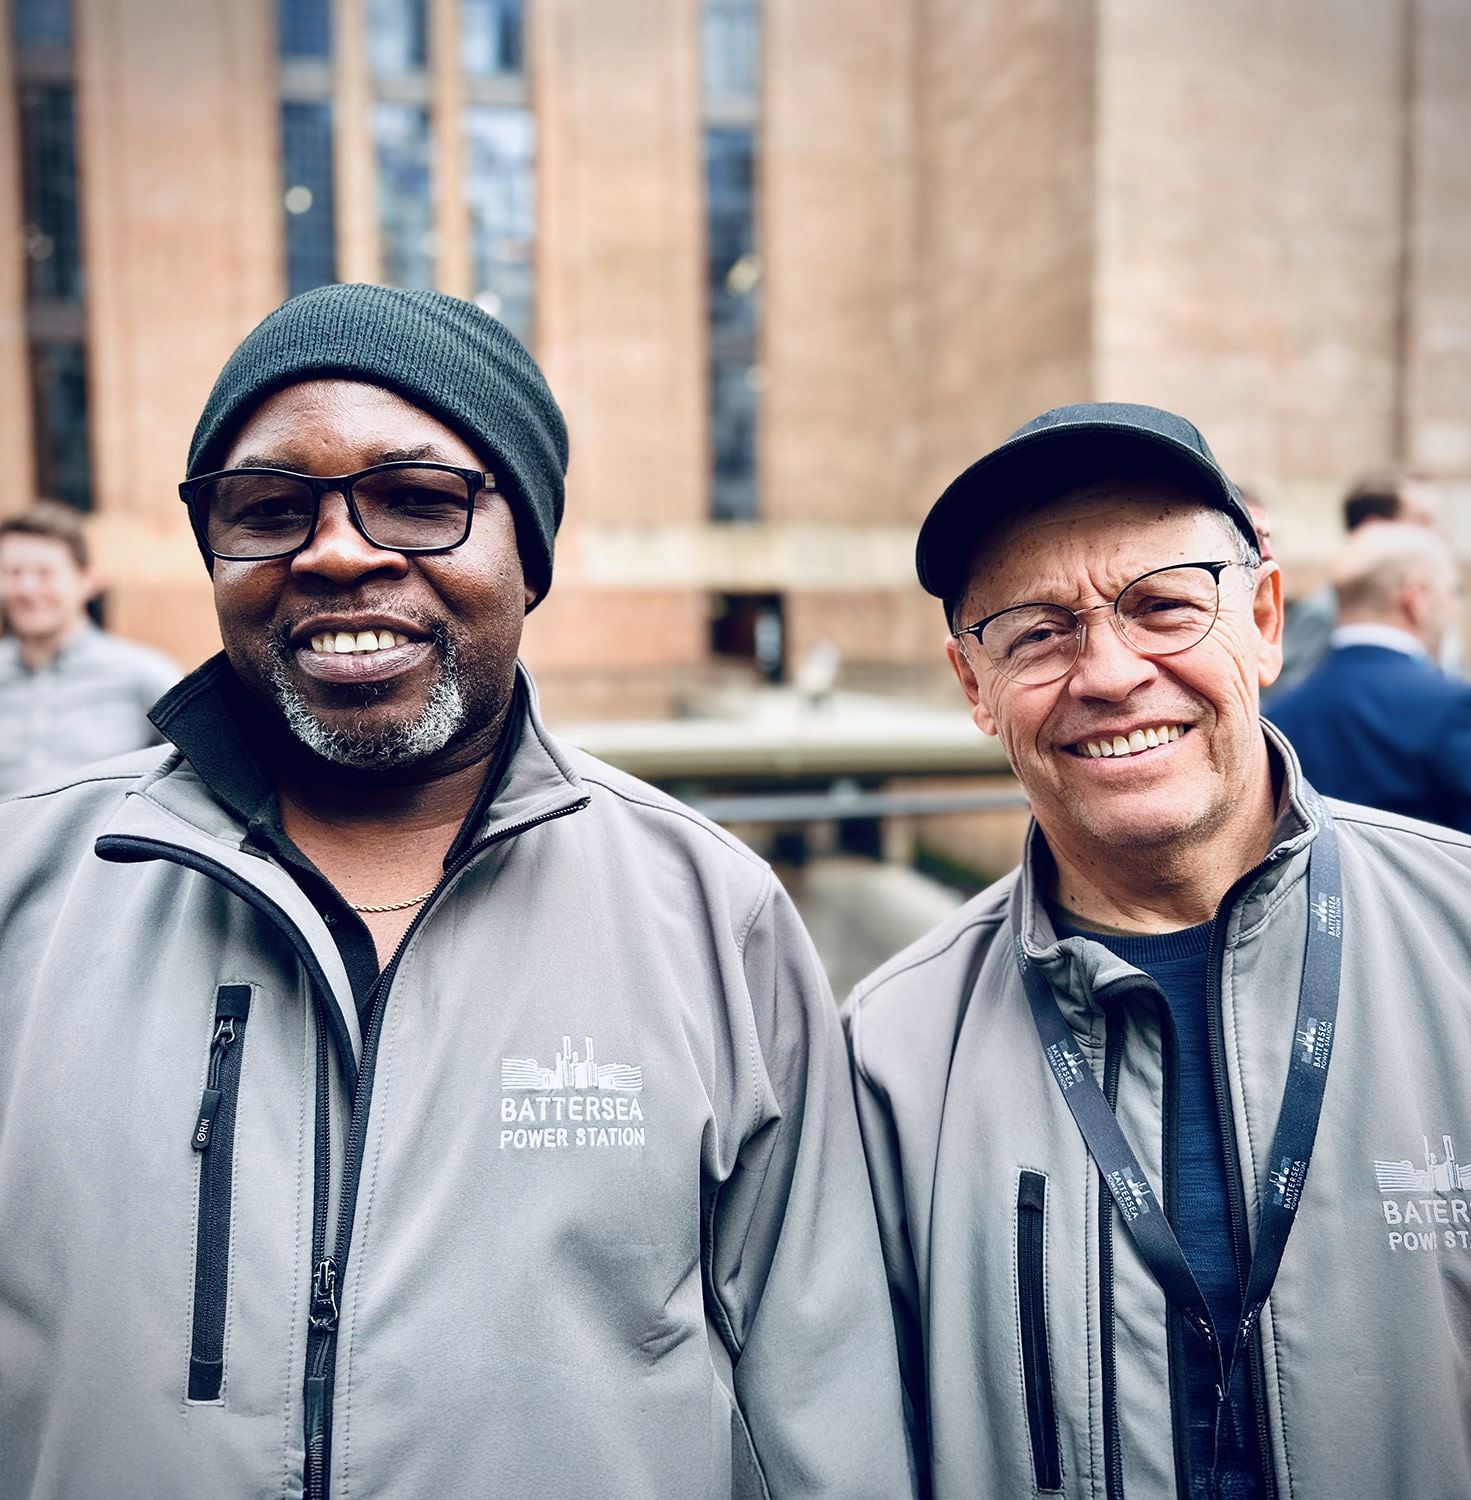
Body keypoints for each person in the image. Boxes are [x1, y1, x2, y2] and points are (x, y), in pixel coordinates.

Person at [0, 285, 911, 1499]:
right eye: (269, 509)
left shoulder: (713, 916)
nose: (336, 549)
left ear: (526, 555)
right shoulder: (29, 888)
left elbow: (825, 1409)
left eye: (420, 501)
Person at [844, 402, 1471, 1500]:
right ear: (974, 687)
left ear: (1267, 617)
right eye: (1038, 631)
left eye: (1163, 606)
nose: (1108, 673)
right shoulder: (886, 1063)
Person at [1268, 524, 1471, 841]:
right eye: (1453, 591)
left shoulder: (1281, 715)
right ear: (1415, 596)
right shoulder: (1463, 709)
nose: (1454, 608)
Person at [0, 499, 180, 796]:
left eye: (44, 573)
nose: (27, 589)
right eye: (14, 573)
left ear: (87, 580)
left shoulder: (142, 673)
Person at [1268, 468, 1440, 701]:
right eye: (1423, 520)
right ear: (1373, 528)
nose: (1436, 534)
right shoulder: (1325, 613)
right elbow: (1285, 706)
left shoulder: (1431, 608)